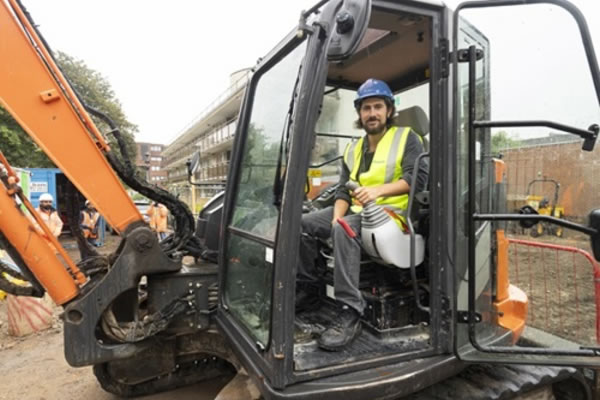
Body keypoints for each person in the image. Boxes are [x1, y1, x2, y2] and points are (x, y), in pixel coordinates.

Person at [296, 78, 428, 351]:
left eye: (378, 106)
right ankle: (309, 291)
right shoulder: (353, 149)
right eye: (366, 108)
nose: (372, 113)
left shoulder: (407, 138)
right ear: (359, 113)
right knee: (302, 224)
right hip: (358, 210)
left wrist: (378, 192)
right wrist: (335, 218)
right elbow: (344, 192)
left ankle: (350, 310)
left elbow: (416, 179)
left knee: (344, 228)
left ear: (388, 111)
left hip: (393, 213)